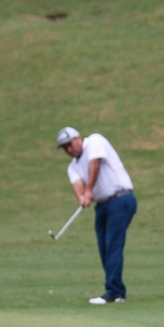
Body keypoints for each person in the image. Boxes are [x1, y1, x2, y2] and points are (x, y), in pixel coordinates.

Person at [56, 126, 137, 305]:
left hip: (120, 199)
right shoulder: (73, 167)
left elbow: (95, 164)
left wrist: (89, 190)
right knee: (104, 247)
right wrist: (82, 197)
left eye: (70, 144)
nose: (69, 149)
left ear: (78, 138)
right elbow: (77, 183)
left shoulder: (95, 141)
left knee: (112, 244)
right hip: (102, 206)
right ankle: (116, 290)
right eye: (65, 148)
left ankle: (114, 291)